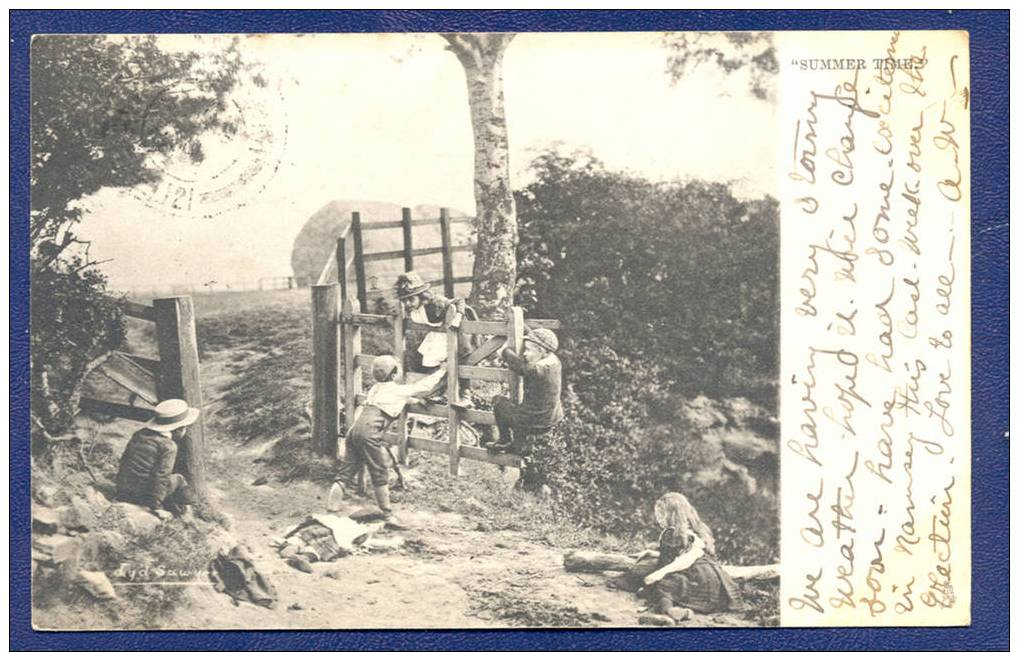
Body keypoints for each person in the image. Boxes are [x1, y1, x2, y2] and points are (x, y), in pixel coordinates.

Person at [328, 355, 446, 528]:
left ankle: (331, 512)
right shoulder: (398, 390)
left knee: (345, 472)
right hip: (369, 434)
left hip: (354, 432)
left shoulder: (376, 388)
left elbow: (393, 400)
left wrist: (413, 400)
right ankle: (387, 515)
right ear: (394, 374)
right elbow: (424, 386)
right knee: (379, 471)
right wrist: (443, 370)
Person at [640, 492, 743, 622]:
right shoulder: (697, 530)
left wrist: (659, 573)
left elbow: (688, 557)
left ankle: (670, 610)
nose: (658, 518)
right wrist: (652, 553)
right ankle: (689, 609)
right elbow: (688, 554)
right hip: (715, 579)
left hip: (697, 575)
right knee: (673, 582)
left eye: (661, 514)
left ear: (672, 515)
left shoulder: (672, 533)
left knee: (664, 584)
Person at [115, 398, 199, 519]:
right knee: (179, 479)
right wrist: (156, 506)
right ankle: (189, 509)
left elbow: (125, 460)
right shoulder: (169, 446)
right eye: (185, 428)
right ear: (178, 429)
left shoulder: (140, 434)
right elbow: (161, 475)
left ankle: (173, 505)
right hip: (143, 495)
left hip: (124, 489)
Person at [486, 327, 563, 456]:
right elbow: (540, 342)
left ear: (541, 350)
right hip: (550, 419)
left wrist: (505, 351)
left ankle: (504, 440)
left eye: (528, 350)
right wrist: (524, 328)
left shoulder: (537, 369)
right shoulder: (555, 361)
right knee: (522, 410)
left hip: (535, 421)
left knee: (499, 403)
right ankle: (521, 447)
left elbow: (519, 365)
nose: (524, 354)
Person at [393, 271, 469, 372]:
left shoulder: (436, 303)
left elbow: (459, 301)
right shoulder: (413, 308)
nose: (407, 304)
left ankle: (442, 382)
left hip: (453, 331)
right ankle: (430, 380)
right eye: (404, 300)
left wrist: (458, 317)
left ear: (422, 296)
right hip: (437, 332)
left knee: (432, 359)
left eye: (411, 299)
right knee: (420, 355)